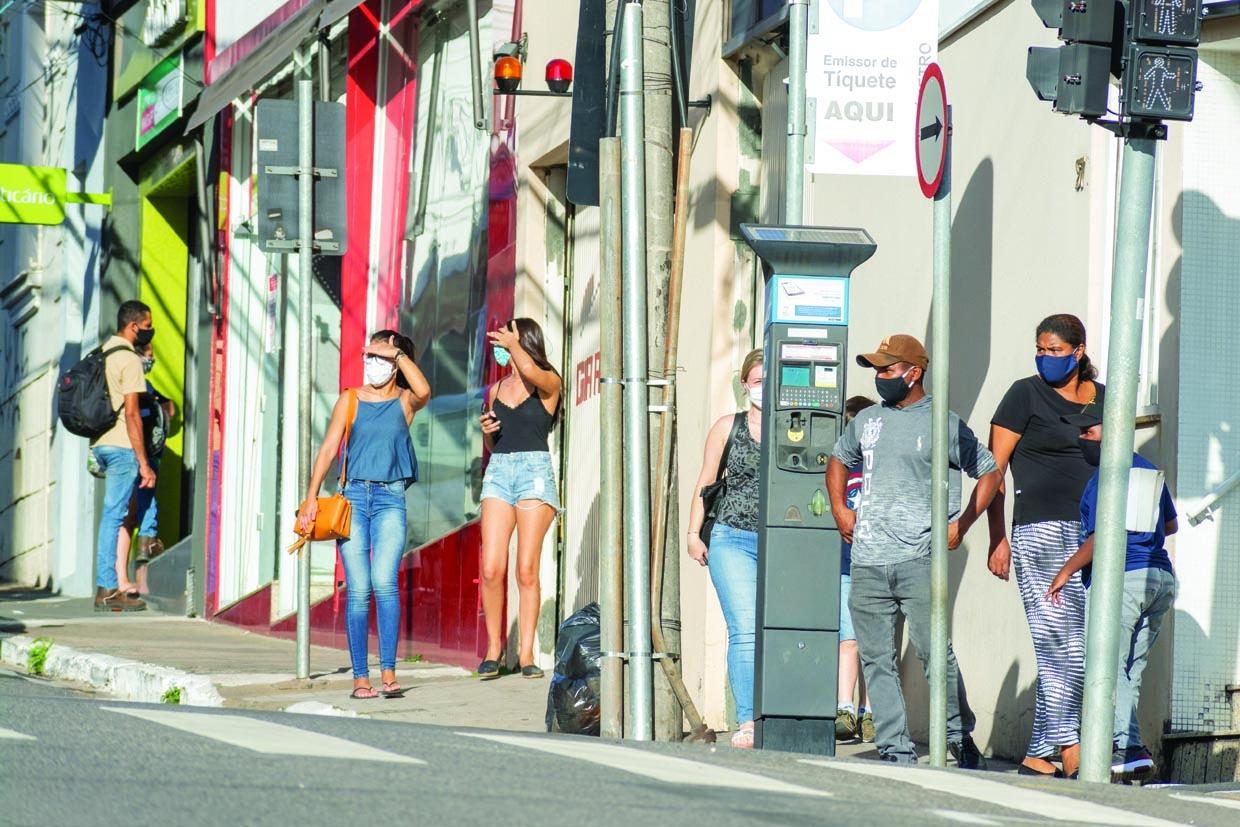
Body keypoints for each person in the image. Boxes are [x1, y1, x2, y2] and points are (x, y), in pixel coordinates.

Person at [828, 334, 1000, 767]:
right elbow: (838, 459)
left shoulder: (942, 422)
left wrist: (962, 524)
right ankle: (895, 749)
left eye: (887, 370)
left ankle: (959, 736)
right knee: (876, 659)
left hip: (920, 559)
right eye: (877, 370)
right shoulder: (867, 420)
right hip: (867, 561)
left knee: (932, 652)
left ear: (913, 372)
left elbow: (990, 473)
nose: (880, 377)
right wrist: (838, 510)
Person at [986, 313, 1104, 778]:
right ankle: (1072, 747)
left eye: (1054, 350)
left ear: (1078, 352)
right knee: (1063, 645)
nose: (1044, 357)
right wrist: (998, 538)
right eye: (1039, 348)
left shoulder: (1104, 399)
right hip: (1040, 531)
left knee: (1079, 646)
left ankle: (1039, 752)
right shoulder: (1024, 394)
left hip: (1094, 534)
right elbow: (993, 473)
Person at [1046, 408, 1178, 781]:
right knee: (1130, 671)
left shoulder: (1103, 477)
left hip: (1123, 580)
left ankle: (1125, 747)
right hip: (1160, 579)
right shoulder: (1149, 470)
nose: (1083, 438)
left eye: (1089, 431)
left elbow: (1100, 536)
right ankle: (1130, 750)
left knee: (1105, 666)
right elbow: (1171, 523)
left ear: (1113, 430)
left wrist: (1065, 571)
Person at [298, 330, 430, 699]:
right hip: (353, 498)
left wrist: (396, 354)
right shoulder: (350, 399)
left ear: (396, 361)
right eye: (368, 353)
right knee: (358, 590)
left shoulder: (405, 401)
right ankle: (360, 677)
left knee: (385, 583)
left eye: (380, 355)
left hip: (391, 499)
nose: (371, 361)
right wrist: (310, 497)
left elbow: (424, 391)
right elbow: (327, 450)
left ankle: (389, 672)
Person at [477, 319, 563, 680]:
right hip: (499, 471)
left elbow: (529, 368)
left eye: (509, 336)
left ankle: (526, 653)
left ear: (524, 340)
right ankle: (494, 649)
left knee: (526, 568)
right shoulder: (497, 388)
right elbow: (495, 445)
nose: (503, 343)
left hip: (534, 474)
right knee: (491, 567)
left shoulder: (548, 380)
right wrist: (487, 434)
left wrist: (515, 347)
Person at [687, 348, 764, 749]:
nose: (763, 388)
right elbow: (706, 480)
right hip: (732, 537)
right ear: (745, 384)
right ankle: (749, 719)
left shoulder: (795, 427)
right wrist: (693, 532)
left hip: (782, 541)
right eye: (757, 381)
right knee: (746, 628)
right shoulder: (727, 427)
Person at [91, 301, 157, 612]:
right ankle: (107, 587)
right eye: (147, 327)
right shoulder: (129, 360)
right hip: (121, 446)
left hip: (100, 443)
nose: (148, 332)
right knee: (114, 515)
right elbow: (132, 415)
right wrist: (143, 462)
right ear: (133, 327)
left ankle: (111, 583)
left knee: (114, 514)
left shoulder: (103, 352)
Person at [837, 395, 877, 743]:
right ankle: (844, 708)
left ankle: (870, 711)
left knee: (874, 645)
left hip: (878, 566)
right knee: (848, 640)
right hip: (846, 567)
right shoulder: (843, 470)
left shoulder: (881, 468)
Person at [125, 342, 176, 596]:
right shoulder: (134, 384)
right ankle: (135, 582)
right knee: (139, 516)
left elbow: (171, 407)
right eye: (148, 356)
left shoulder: (148, 386)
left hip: (146, 456)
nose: (150, 360)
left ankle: (136, 582)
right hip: (138, 457)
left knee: (142, 517)